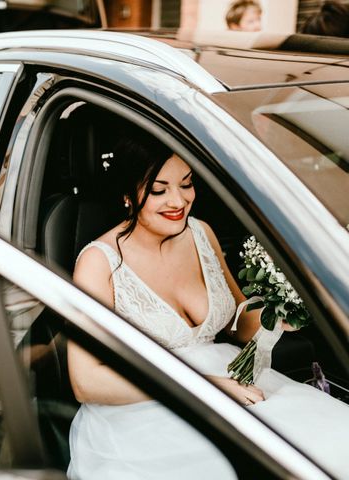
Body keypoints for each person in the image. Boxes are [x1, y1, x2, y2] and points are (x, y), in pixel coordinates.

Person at [66, 130, 349, 479]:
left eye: (186, 184)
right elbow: (86, 383)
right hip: (148, 409)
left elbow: (235, 322)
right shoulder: (99, 263)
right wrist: (206, 384)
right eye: (159, 190)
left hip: (236, 382)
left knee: (336, 439)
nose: (178, 201)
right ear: (128, 194)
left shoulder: (200, 233)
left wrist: (277, 313)